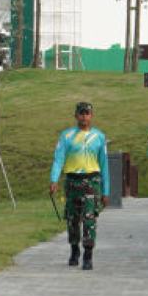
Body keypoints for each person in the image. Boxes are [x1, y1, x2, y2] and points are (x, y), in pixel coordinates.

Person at [49, 102, 110, 270]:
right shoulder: (67, 136)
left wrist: (106, 191)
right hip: (72, 181)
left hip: (92, 182)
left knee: (89, 218)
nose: (84, 116)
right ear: (76, 116)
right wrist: (54, 180)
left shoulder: (99, 137)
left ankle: (88, 254)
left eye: (87, 113)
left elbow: (104, 165)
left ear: (92, 116)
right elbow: (59, 159)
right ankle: (74, 249)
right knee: (72, 219)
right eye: (81, 113)